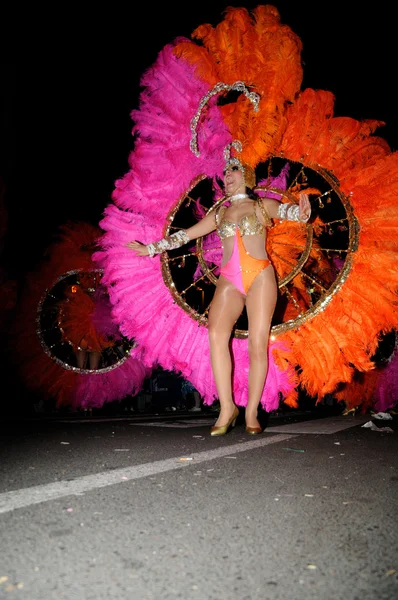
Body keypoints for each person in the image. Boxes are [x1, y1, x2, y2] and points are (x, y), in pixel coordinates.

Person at [126, 144, 311, 436]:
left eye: (234, 170)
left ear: (247, 175)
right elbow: (186, 235)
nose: (227, 175)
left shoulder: (262, 205)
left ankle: (251, 411)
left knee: (257, 343)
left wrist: (301, 212)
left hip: (261, 278)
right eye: (225, 172)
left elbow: (290, 212)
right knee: (215, 334)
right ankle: (227, 407)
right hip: (230, 280)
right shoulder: (219, 215)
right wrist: (151, 248)